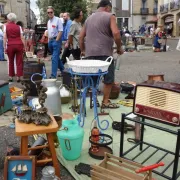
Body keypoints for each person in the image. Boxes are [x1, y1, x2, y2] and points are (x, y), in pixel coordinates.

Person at [79, 0, 123, 108]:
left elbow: (80, 37)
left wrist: (83, 50)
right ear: (108, 7)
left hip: (90, 54)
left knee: (92, 79)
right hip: (105, 53)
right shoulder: (110, 16)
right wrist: (119, 47)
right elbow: (116, 34)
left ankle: (94, 101)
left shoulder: (88, 19)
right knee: (108, 79)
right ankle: (105, 102)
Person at [3, 13, 25, 82]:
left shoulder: (6, 26)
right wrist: (24, 46)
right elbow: (22, 37)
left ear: (8, 19)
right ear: (15, 19)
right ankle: (18, 77)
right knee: (19, 61)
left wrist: (4, 47)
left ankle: (11, 77)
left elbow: (4, 37)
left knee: (11, 61)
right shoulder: (19, 27)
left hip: (10, 45)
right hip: (19, 45)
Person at [47, 6, 64, 78]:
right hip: (50, 41)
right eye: (48, 12)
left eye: (51, 12)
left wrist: (57, 40)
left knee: (54, 58)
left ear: (53, 12)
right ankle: (63, 70)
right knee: (56, 57)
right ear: (47, 13)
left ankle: (53, 75)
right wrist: (48, 41)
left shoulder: (57, 20)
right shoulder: (48, 21)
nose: (50, 13)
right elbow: (49, 32)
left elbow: (61, 30)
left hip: (56, 40)